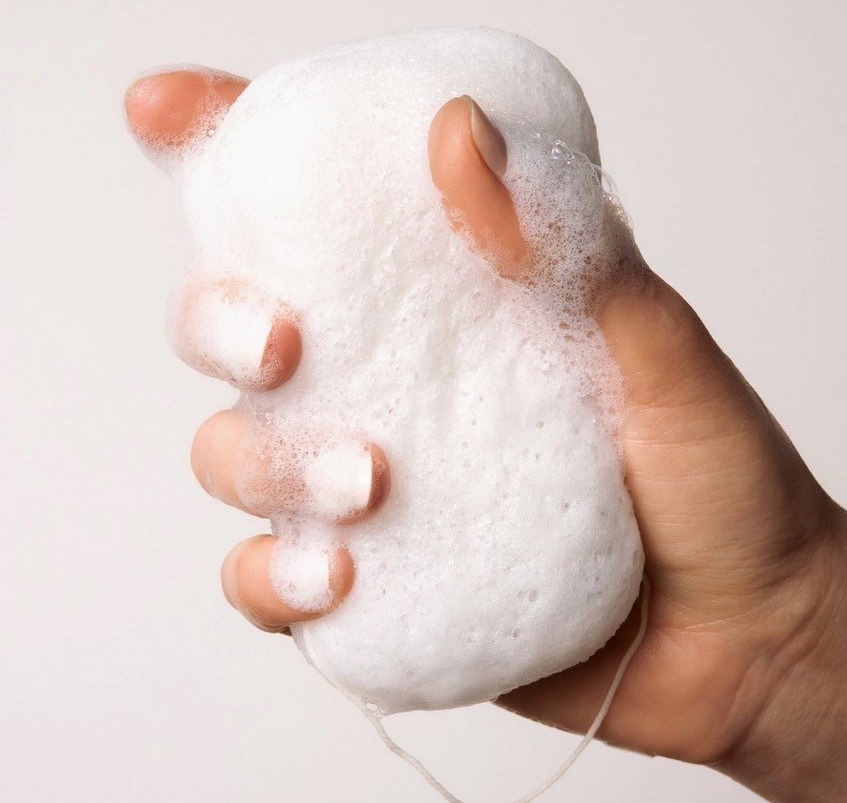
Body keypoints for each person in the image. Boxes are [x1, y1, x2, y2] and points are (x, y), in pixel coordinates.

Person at [125, 69, 846, 803]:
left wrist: (790, 638)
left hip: (593, 607)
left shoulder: (300, 148)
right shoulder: (277, 152)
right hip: (586, 612)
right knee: (266, 358)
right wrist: (782, 658)